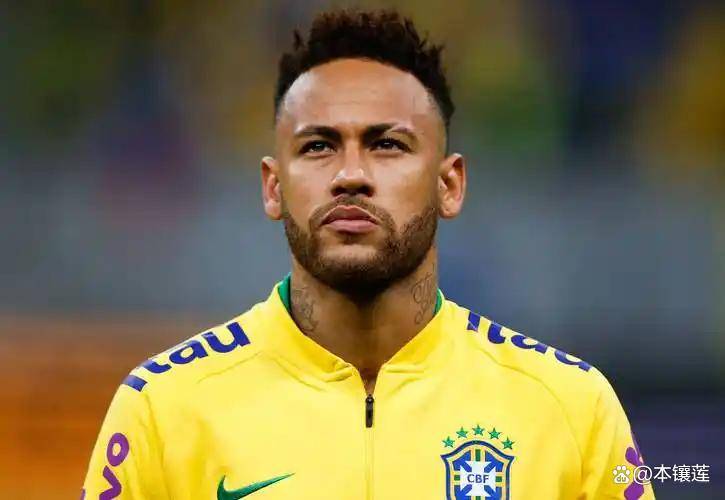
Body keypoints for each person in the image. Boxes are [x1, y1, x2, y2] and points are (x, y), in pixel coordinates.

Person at [82, 8, 655, 500]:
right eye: (318, 146)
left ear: (449, 185)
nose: (350, 175)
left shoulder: (571, 411)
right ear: (273, 188)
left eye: (387, 144)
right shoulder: (163, 411)